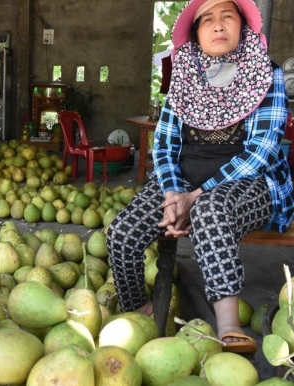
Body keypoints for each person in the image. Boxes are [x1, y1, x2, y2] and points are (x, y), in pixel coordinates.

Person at [107, 0, 293, 355]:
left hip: (251, 185)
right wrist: (175, 192)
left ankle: (228, 323)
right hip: (182, 183)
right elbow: (163, 143)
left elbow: (263, 151)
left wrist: (197, 196)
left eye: (227, 16)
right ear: (196, 33)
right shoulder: (185, 77)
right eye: (207, 19)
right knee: (122, 233)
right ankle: (136, 310)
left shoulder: (266, 74)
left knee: (210, 209)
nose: (218, 25)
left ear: (243, 27)